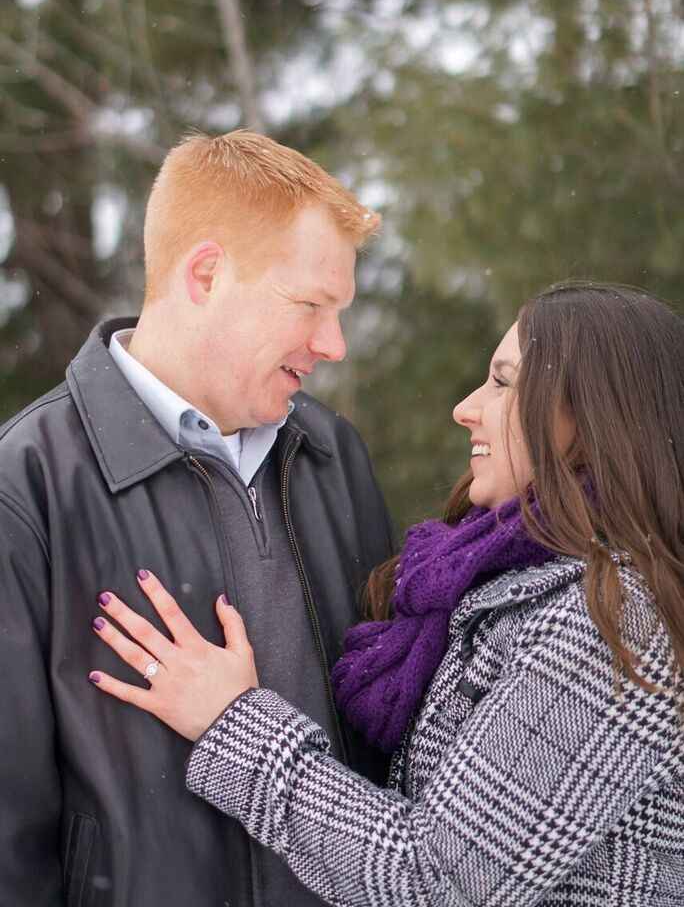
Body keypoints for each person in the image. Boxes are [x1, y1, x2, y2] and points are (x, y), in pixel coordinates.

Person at [91, 282, 684, 906]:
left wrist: (230, 720)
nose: (465, 408)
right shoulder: (511, 581)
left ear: (592, 419)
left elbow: (434, 882)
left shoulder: (616, 621)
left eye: (504, 383)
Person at [0, 131, 394, 906]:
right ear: (207, 274)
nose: (333, 344)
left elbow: (385, 737)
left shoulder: (332, 455)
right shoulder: (29, 485)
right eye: (311, 304)